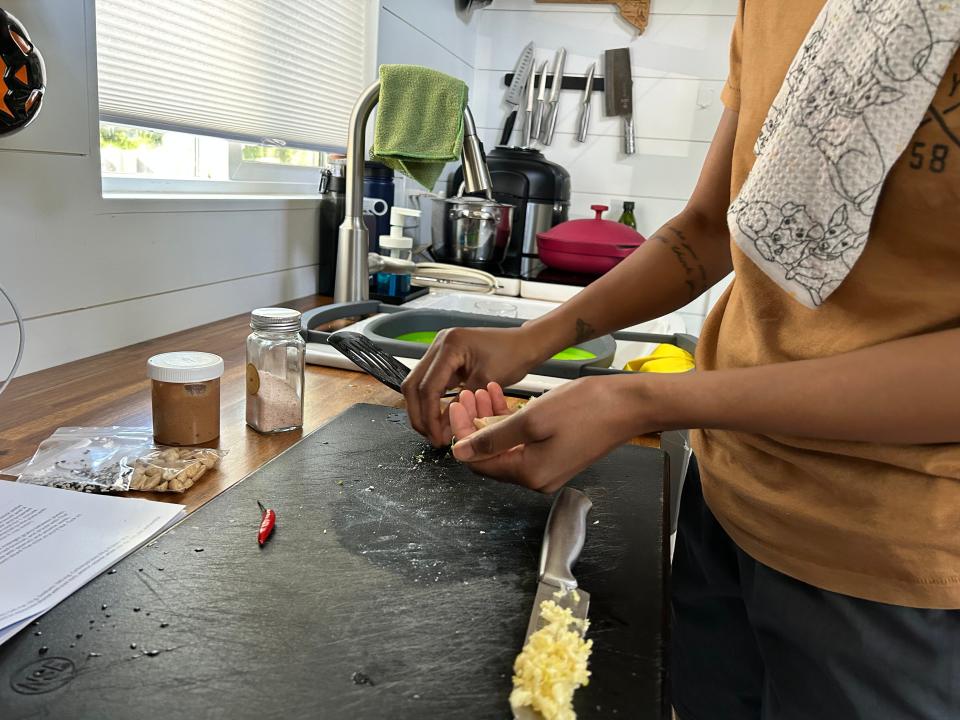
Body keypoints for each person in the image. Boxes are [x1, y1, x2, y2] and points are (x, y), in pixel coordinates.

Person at [403, 1, 960, 718]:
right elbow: (708, 226)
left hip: (891, 565)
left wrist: (648, 401)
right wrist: (536, 337)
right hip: (725, 503)